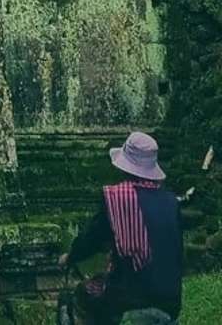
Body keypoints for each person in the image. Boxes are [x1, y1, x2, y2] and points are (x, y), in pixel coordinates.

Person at [60, 131, 184, 323]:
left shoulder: (117, 198)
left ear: (124, 167)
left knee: (83, 293)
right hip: (171, 301)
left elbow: (91, 239)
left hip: (132, 297)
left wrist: (71, 256)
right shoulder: (171, 201)